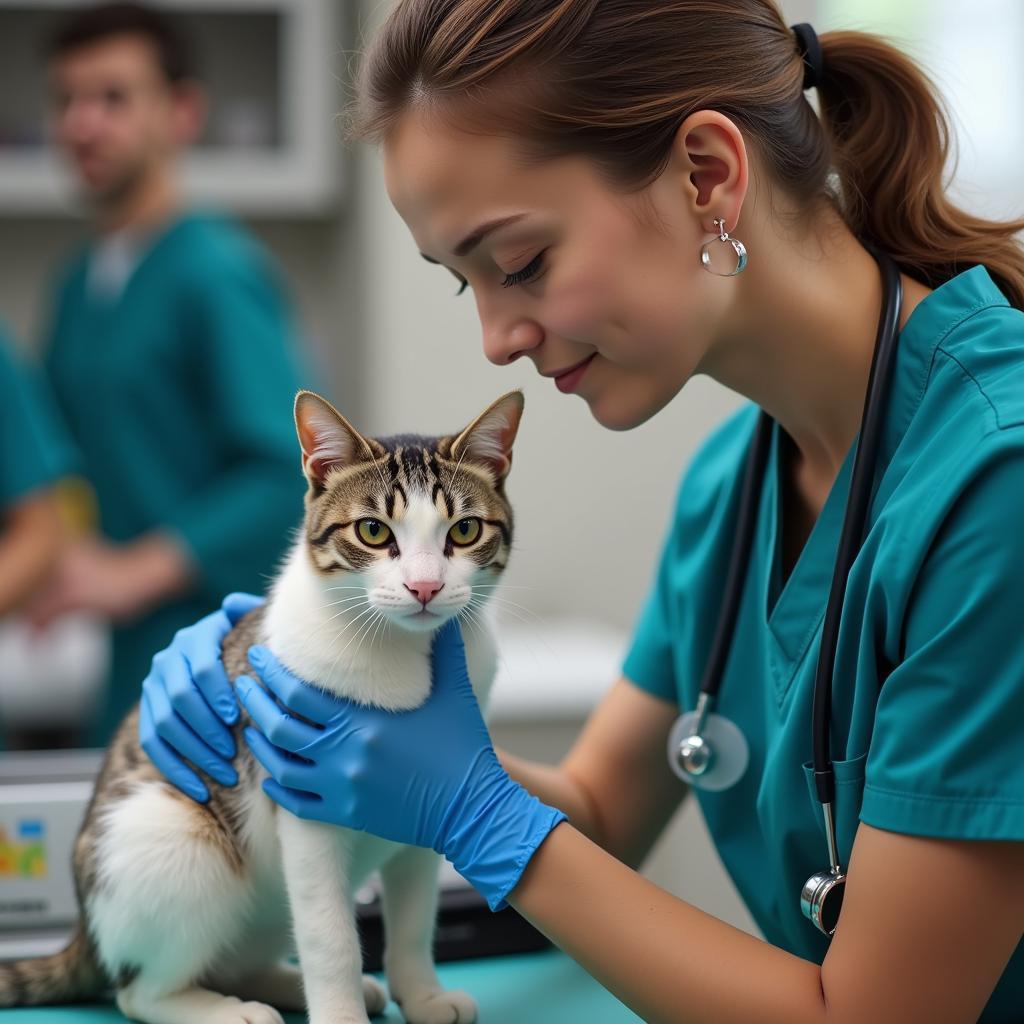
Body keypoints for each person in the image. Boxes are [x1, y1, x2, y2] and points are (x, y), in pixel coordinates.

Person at [138, 3, 1024, 1021]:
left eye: (516, 263)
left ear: (706, 176)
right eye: (459, 283)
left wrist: (469, 806)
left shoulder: (995, 479)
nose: (497, 340)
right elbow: (600, 813)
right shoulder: (731, 485)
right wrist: (355, 736)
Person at [27, 2, 311, 747]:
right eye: (66, 100)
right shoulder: (76, 285)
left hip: (211, 656)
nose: (83, 123)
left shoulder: (214, 274)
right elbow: (56, 463)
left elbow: (285, 474)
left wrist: (130, 572)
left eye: (113, 98)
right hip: (115, 656)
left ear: (182, 113)